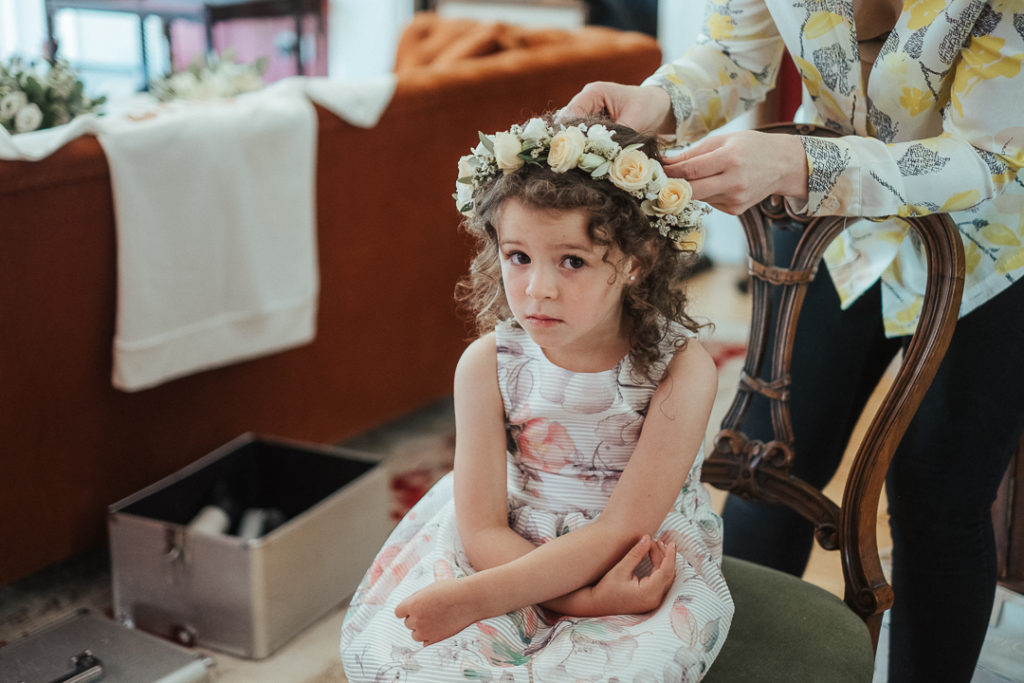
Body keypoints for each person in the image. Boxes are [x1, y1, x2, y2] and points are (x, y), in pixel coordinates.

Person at [560, 1, 1024, 681]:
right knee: (765, 468)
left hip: (999, 250)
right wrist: (655, 101)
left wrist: (807, 163)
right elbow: (735, 54)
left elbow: (992, 157)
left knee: (938, 497)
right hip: (841, 235)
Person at [339, 115, 734, 682]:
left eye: (571, 260)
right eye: (518, 257)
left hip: (628, 560)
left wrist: (484, 599)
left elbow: (622, 529)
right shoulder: (486, 365)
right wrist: (578, 601)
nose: (536, 289)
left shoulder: (680, 368)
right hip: (505, 551)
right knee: (407, 661)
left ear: (634, 262)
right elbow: (481, 531)